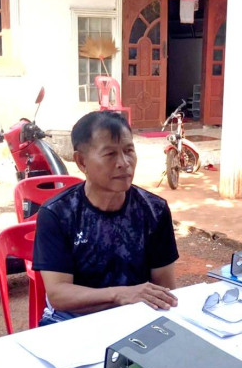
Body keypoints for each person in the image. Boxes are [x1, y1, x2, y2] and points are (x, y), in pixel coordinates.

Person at [33, 110, 178, 324]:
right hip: (72, 320)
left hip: (135, 317)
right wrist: (120, 295)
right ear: (81, 162)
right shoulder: (58, 213)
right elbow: (59, 295)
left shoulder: (154, 210)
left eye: (129, 150)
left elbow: (165, 288)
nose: (124, 162)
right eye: (110, 154)